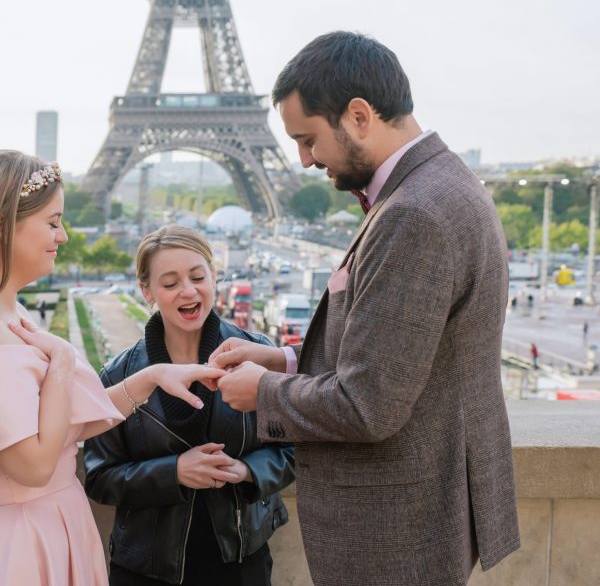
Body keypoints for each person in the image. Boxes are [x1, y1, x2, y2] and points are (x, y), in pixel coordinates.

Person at [207, 32, 520, 585]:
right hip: (419, 512)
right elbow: (399, 349)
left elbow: (368, 404)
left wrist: (261, 390)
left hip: (396, 530)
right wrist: (284, 358)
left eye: (308, 139)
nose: (304, 160)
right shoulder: (440, 187)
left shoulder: (413, 215)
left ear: (357, 115)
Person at [0, 150, 226, 586]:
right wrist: (63, 360)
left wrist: (152, 376)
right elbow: (34, 467)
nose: (63, 236)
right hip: (29, 536)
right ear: (6, 223)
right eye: (52, 222)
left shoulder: (14, 313)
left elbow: (67, 425)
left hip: (53, 523)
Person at [84, 225, 295, 586]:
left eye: (198, 276)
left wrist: (246, 472)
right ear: (146, 291)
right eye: (170, 284)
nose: (188, 290)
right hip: (146, 570)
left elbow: (293, 450)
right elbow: (99, 476)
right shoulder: (118, 375)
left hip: (241, 562)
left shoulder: (259, 352)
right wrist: (175, 472)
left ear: (215, 276)